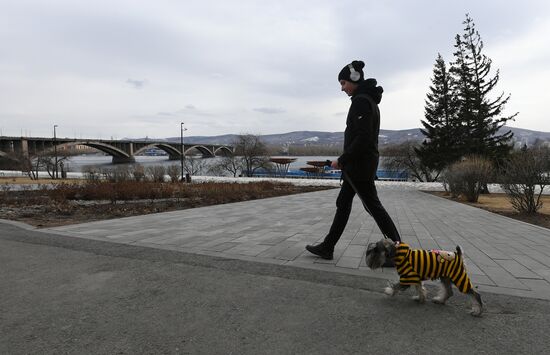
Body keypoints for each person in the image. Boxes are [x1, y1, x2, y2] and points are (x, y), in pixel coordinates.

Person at [305, 60, 401, 262]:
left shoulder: (361, 101)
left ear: (354, 79)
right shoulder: (368, 100)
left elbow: (363, 138)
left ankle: (399, 253)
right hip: (359, 166)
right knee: (345, 204)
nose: (342, 88)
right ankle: (328, 247)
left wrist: (342, 159)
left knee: (373, 207)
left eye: (343, 83)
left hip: (359, 167)